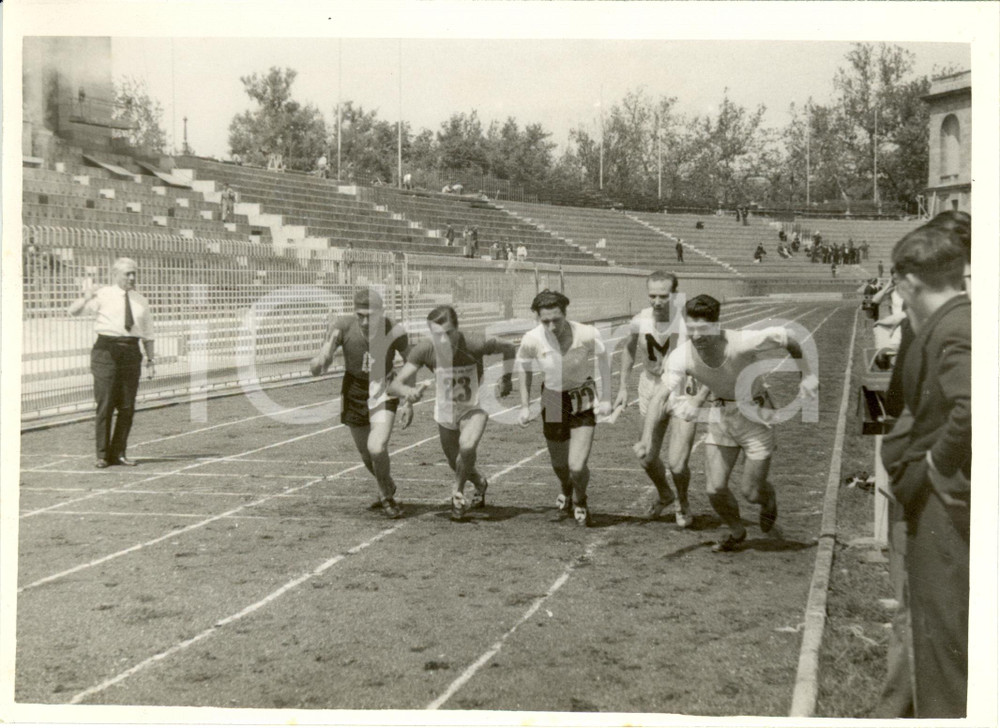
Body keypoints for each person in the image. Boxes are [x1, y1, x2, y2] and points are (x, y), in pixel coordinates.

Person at [637, 294, 818, 552]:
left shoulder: (742, 342)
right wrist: (646, 439)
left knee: (751, 492)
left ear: (717, 325)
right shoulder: (682, 356)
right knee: (714, 489)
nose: (697, 336)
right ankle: (736, 531)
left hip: (756, 415)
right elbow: (659, 397)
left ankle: (768, 499)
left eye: (704, 329)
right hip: (722, 415)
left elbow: (788, 337)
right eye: (692, 329)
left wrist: (807, 375)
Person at [880, 226, 970, 718]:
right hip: (945, 498)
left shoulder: (956, 326)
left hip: (947, 502)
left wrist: (938, 463)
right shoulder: (958, 319)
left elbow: (972, 404)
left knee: (944, 641)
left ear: (910, 281)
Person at [390, 306, 516, 521]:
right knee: (454, 460)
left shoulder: (475, 342)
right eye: (437, 334)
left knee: (467, 446)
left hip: (475, 403)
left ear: (457, 330)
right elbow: (395, 385)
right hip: (446, 407)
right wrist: (408, 396)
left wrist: (506, 378)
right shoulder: (425, 349)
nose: (443, 340)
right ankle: (479, 482)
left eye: (448, 333)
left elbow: (509, 347)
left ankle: (456, 492)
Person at [309, 288, 410, 519]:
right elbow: (323, 356)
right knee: (367, 455)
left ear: (381, 312)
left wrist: (407, 400)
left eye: (370, 316)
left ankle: (386, 497)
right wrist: (319, 362)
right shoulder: (343, 326)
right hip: (354, 390)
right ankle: (387, 485)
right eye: (360, 315)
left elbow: (410, 360)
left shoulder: (394, 329)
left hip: (384, 387)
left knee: (377, 447)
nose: (365, 322)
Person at [516, 290, 613, 526]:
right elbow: (523, 368)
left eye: (556, 320)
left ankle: (580, 498)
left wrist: (607, 396)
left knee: (577, 465)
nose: (551, 326)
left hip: (581, 397)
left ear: (565, 314)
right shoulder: (532, 338)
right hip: (552, 399)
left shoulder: (587, 334)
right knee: (560, 465)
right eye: (545, 321)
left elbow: (603, 358)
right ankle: (565, 489)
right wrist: (524, 405)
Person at [615, 271, 704, 526]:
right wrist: (623, 386)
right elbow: (628, 348)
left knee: (677, 464)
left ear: (674, 295)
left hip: (682, 388)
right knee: (646, 456)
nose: (657, 301)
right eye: (652, 295)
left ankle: (683, 501)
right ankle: (665, 493)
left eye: (663, 296)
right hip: (651, 385)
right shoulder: (639, 321)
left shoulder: (688, 320)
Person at [68, 258, 156, 468]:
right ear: (115, 274)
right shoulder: (103, 294)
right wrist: (85, 297)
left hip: (131, 351)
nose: (132, 278)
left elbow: (148, 334)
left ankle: (119, 453)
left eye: (134, 273)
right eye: (127, 274)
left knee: (127, 406)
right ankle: (102, 454)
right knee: (105, 403)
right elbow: (74, 311)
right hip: (106, 351)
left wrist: (151, 359)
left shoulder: (141, 300)